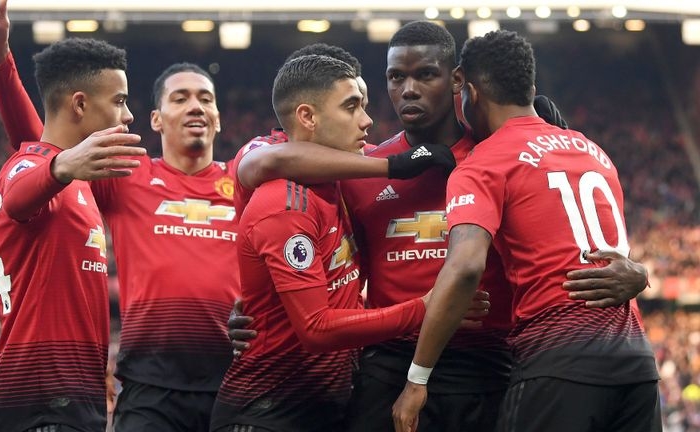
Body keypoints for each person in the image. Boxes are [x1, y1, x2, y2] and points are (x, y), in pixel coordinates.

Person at [229, 21, 650, 432]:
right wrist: (254, 303)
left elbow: (574, 238)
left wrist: (636, 274)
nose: (408, 89)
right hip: (390, 367)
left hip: (488, 366)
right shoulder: (357, 167)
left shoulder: (503, 157)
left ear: (457, 80)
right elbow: (262, 170)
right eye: (396, 77)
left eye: (426, 74)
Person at [0, 1, 239, 430]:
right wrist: (2, 65)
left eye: (206, 98)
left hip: (228, 379)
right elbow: (38, 150)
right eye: (180, 98)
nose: (196, 107)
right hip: (146, 389)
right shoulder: (122, 173)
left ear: (220, 117)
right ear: (156, 119)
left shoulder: (244, 178)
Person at [391, 29, 660, 432]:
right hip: (637, 362)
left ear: (471, 91)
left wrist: (417, 378)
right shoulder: (592, 151)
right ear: (530, 89)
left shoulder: (485, 161)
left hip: (559, 358)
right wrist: (641, 273)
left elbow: (465, 267)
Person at [209, 54, 453, 432]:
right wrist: (426, 308)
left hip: (326, 404)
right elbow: (317, 327)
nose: (367, 120)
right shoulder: (283, 201)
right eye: (351, 106)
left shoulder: (340, 179)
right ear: (308, 117)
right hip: (269, 411)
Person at [0, 33, 146, 432]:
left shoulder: (78, 180)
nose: (128, 115)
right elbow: (18, 196)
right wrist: (61, 167)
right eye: (119, 101)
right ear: (80, 104)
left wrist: (0, 59)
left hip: (75, 395)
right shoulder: (29, 167)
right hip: (41, 399)